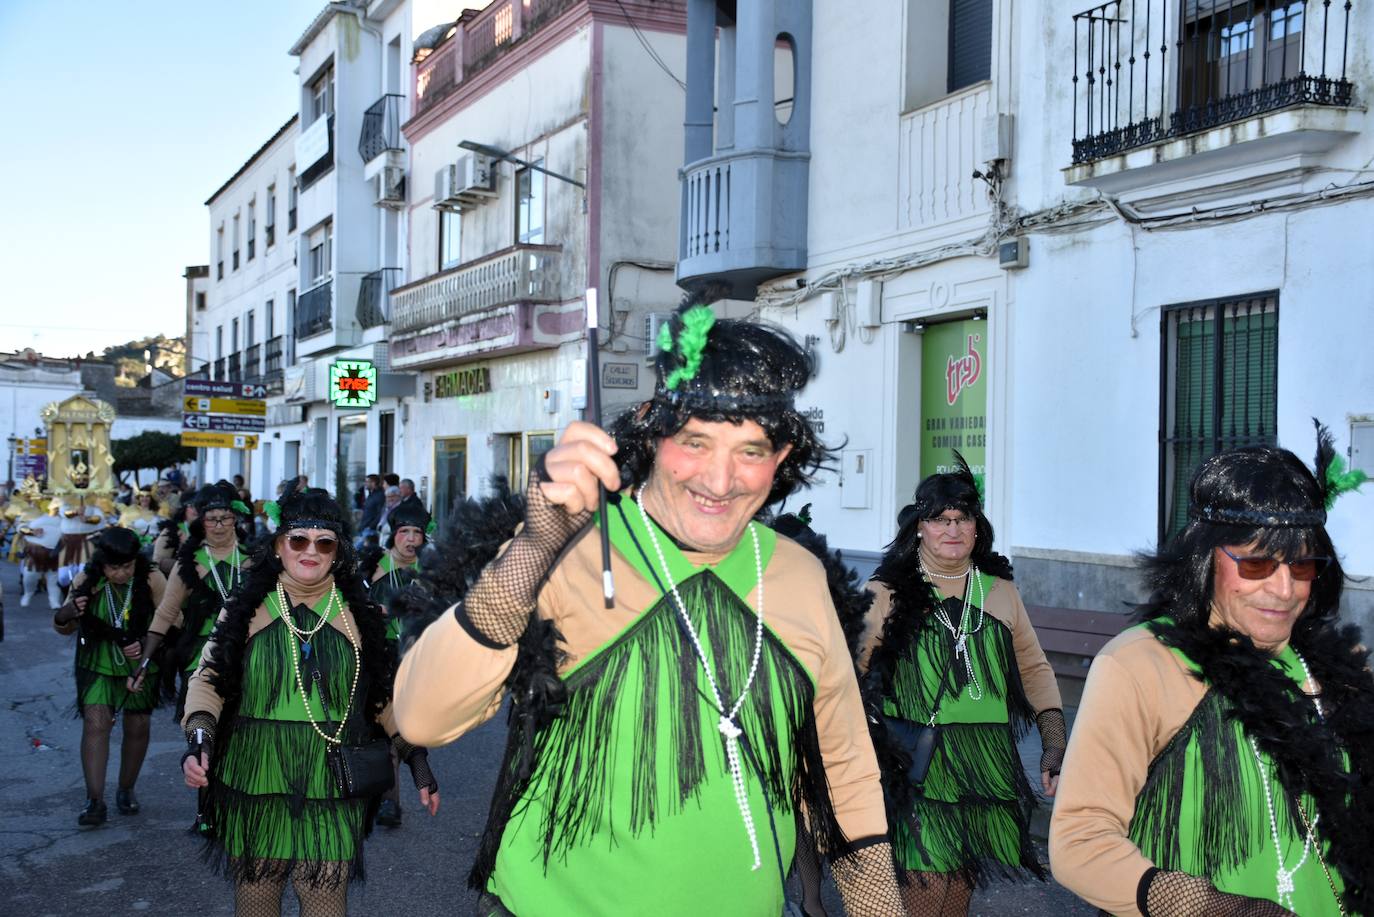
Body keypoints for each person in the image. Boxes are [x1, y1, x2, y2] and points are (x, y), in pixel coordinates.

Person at [395, 297, 903, 916]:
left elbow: (843, 766)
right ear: (652, 433)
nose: (720, 481)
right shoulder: (574, 546)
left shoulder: (798, 575)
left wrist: (879, 906)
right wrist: (534, 548)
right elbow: (421, 718)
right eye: (695, 442)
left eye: (750, 451)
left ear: (783, 458)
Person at [1049, 432, 1372, 916]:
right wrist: (1213, 907)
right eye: (1258, 563)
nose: (1284, 590)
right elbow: (1080, 842)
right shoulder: (1142, 665)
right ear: (1206, 560)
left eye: (1302, 566)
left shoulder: (1337, 667)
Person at [181, 489, 439, 917]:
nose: (311, 551)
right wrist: (200, 738)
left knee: (324, 901)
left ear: (337, 552)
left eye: (325, 542)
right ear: (279, 544)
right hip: (256, 776)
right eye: (299, 539)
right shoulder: (245, 611)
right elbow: (208, 681)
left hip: (331, 779)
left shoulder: (360, 617)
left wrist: (417, 760)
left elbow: (382, 699)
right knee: (257, 899)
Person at [857, 455, 1065, 916]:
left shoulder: (1000, 592)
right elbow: (847, 673)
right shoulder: (887, 591)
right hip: (920, 762)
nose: (952, 530)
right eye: (939, 520)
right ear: (919, 528)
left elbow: (1034, 669)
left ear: (977, 527)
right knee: (926, 884)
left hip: (984, 761)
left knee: (960, 886)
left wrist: (1053, 743)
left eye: (963, 518)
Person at [52, 527, 167, 825]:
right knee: (96, 723)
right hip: (98, 660)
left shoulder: (152, 577)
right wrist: (66, 612)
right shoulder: (86, 580)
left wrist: (144, 646)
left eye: (127, 566)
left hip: (141, 661)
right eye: (114, 568)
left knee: (138, 724)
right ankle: (94, 801)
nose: (120, 574)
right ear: (102, 564)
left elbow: (171, 620)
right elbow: (64, 624)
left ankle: (126, 789)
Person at [133, 482, 251, 721]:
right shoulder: (188, 564)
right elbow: (166, 612)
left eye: (225, 518)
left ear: (235, 519)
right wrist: (143, 663)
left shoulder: (253, 561)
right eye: (211, 519)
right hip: (199, 658)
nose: (218, 526)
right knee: (201, 730)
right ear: (201, 522)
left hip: (246, 655)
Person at [360, 498, 435, 827]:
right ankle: (382, 798)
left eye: (416, 532)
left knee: (400, 726)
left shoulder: (432, 570)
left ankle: (389, 797)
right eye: (404, 531)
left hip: (415, 656)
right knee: (377, 725)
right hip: (378, 653)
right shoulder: (373, 565)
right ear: (394, 534)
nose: (410, 539)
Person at [153, 501, 200, 576]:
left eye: (200, 506)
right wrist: (190, 567)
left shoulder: (208, 531)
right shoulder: (172, 530)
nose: (196, 509)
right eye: (191, 506)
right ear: (184, 509)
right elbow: (158, 561)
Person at [357, 474, 385, 549]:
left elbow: (381, 513)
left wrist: (371, 526)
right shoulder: (371, 495)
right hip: (365, 528)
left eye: (367, 482)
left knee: (356, 549)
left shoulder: (379, 496)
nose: (365, 484)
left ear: (373, 483)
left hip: (370, 530)